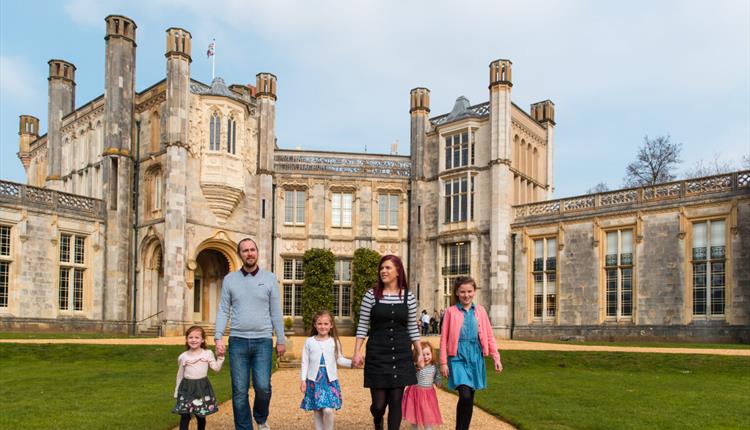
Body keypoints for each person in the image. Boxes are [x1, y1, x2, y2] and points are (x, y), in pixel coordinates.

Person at [215, 238, 285, 430]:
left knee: (263, 387)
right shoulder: (230, 280)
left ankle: (261, 418)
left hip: (263, 340)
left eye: (252, 249)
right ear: (240, 254)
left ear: (257, 252)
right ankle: (244, 427)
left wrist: (280, 339)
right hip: (237, 341)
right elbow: (223, 310)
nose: (249, 253)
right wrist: (218, 337)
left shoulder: (269, 278)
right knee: (239, 391)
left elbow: (275, 311)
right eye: (245, 250)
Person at [352, 255, 423, 430]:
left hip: (400, 353)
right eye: (381, 268)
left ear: (398, 271)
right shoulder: (371, 295)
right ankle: (378, 420)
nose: (383, 271)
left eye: (388, 268)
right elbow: (362, 325)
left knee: (396, 401)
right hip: (377, 353)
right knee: (378, 405)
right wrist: (356, 352)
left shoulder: (409, 297)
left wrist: (420, 352)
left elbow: (412, 328)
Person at [439, 276, 503, 430]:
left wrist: (496, 357)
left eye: (469, 291)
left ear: (474, 292)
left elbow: (488, 336)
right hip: (457, 357)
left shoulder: (480, 311)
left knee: (470, 398)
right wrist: (443, 362)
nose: (466, 295)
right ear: (457, 293)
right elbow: (444, 339)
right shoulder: (450, 312)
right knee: (465, 395)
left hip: (475, 357)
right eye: (462, 292)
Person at [299, 309, 353, 430]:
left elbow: (340, 359)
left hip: (329, 380)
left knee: (328, 410)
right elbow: (305, 362)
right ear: (315, 325)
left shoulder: (334, 341)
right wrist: (303, 380)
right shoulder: (309, 342)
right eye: (319, 323)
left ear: (331, 325)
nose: (322, 326)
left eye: (325, 323)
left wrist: (352, 363)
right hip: (314, 380)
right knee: (317, 411)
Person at [172, 326, 225, 430]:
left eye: (197, 337)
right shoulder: (183, 356)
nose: (193, 340)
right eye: (190, 337)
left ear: (202, 339)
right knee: (185, 415)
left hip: (202, 388)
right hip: (186, 389)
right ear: (187, 340)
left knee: (201, 415)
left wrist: (220, 357)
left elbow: (216, 368)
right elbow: (180, 375)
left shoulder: (207, 354)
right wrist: (176, 391)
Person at [401, 340, 443, 430]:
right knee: (414, 416)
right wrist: (416, 367)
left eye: (428, 354)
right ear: (418, 356)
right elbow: (408, 374)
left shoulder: (434, 366)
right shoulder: (416, 366)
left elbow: (437, 377)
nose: (426, 357)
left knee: (427, 416)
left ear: (432, 354)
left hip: (428, 396)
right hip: (414, 393)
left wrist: (438, 382)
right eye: (423, 355)